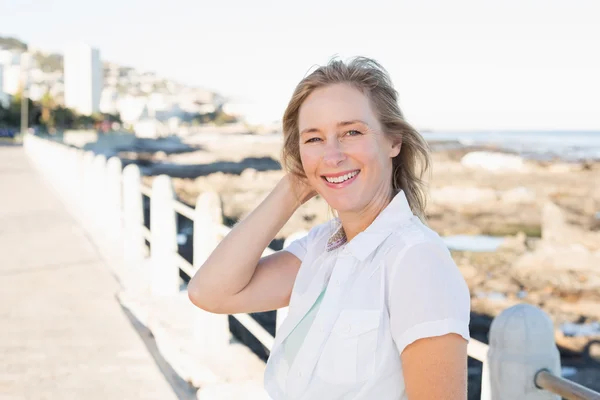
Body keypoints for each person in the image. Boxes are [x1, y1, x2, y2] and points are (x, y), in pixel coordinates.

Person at [188, 56, 471, 399]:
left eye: (352, 132)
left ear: (393, 141)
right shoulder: (320, 247)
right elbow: (209, 293)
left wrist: (317, 165)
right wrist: (293, 189)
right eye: (314, 139)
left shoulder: (416, 259)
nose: (332, 155)